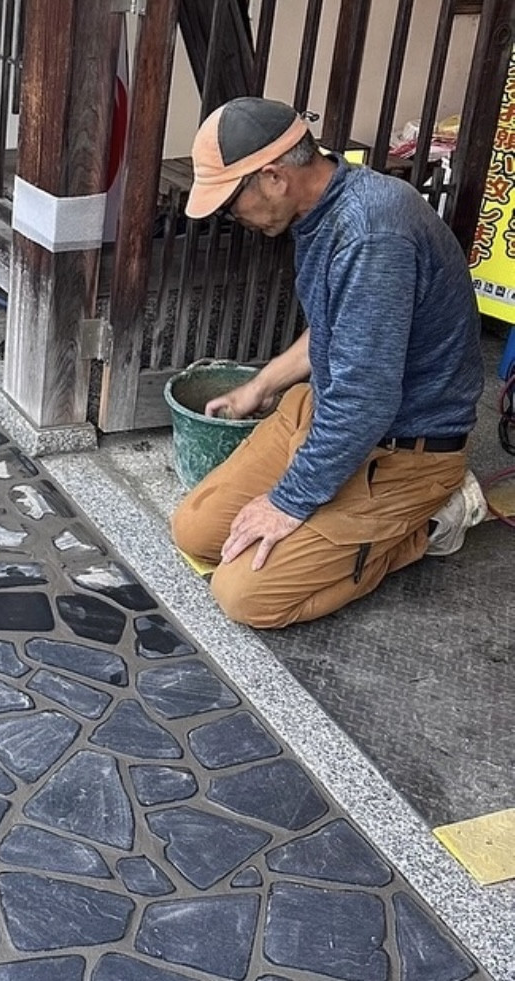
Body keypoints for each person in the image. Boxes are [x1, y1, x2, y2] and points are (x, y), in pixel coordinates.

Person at [169, 96, 487, 629]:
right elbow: (340, 323)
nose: (233, 218)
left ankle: (435, 518)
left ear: (273, 177)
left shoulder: (373, 233)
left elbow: (366, 400)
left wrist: (287, 503)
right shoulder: (324, 206)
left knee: (245, 595)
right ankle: (334, 508)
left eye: (229, 205)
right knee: (194, 532)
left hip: (404, 452)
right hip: (329, 415)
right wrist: (262, 385)